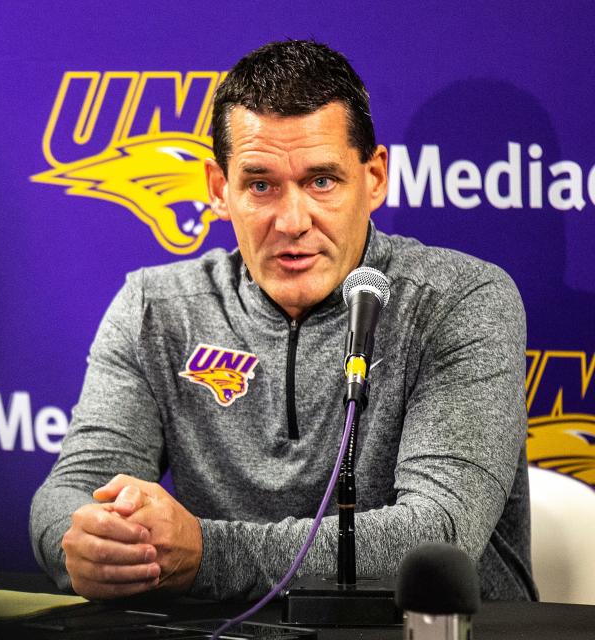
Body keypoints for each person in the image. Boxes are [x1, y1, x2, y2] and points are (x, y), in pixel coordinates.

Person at [29, 40, 536, 602]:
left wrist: (205, 554)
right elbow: (73, 490)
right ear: (220, 190)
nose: (293, 221)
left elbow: (435, 540)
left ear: (373, 178)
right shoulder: (156, 307)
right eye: (261, 185)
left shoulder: (461, 301)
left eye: (322, 180)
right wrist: (88, 542)